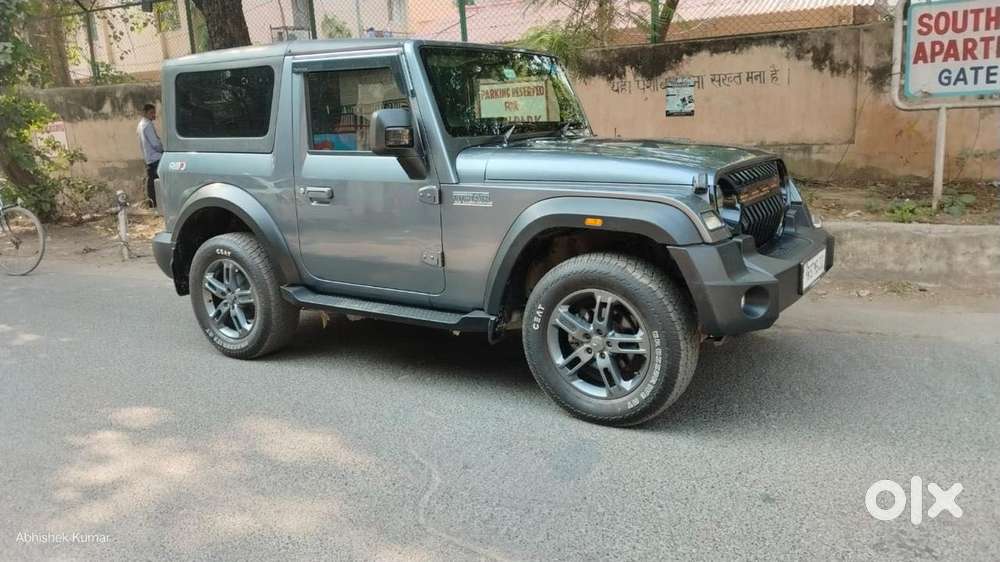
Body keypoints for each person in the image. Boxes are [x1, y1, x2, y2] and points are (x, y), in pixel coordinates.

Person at [137, 103, 163, 208]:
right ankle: (157, 205)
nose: (154, 115)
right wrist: (163, 150)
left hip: (148, 158)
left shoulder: (140, 125)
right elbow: (155, 144)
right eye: (151, 113)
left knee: (152, 182)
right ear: (145, 113)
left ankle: (153, 204)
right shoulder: (147, 125)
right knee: (157, 183)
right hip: (155, 157)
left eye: (154, 113)